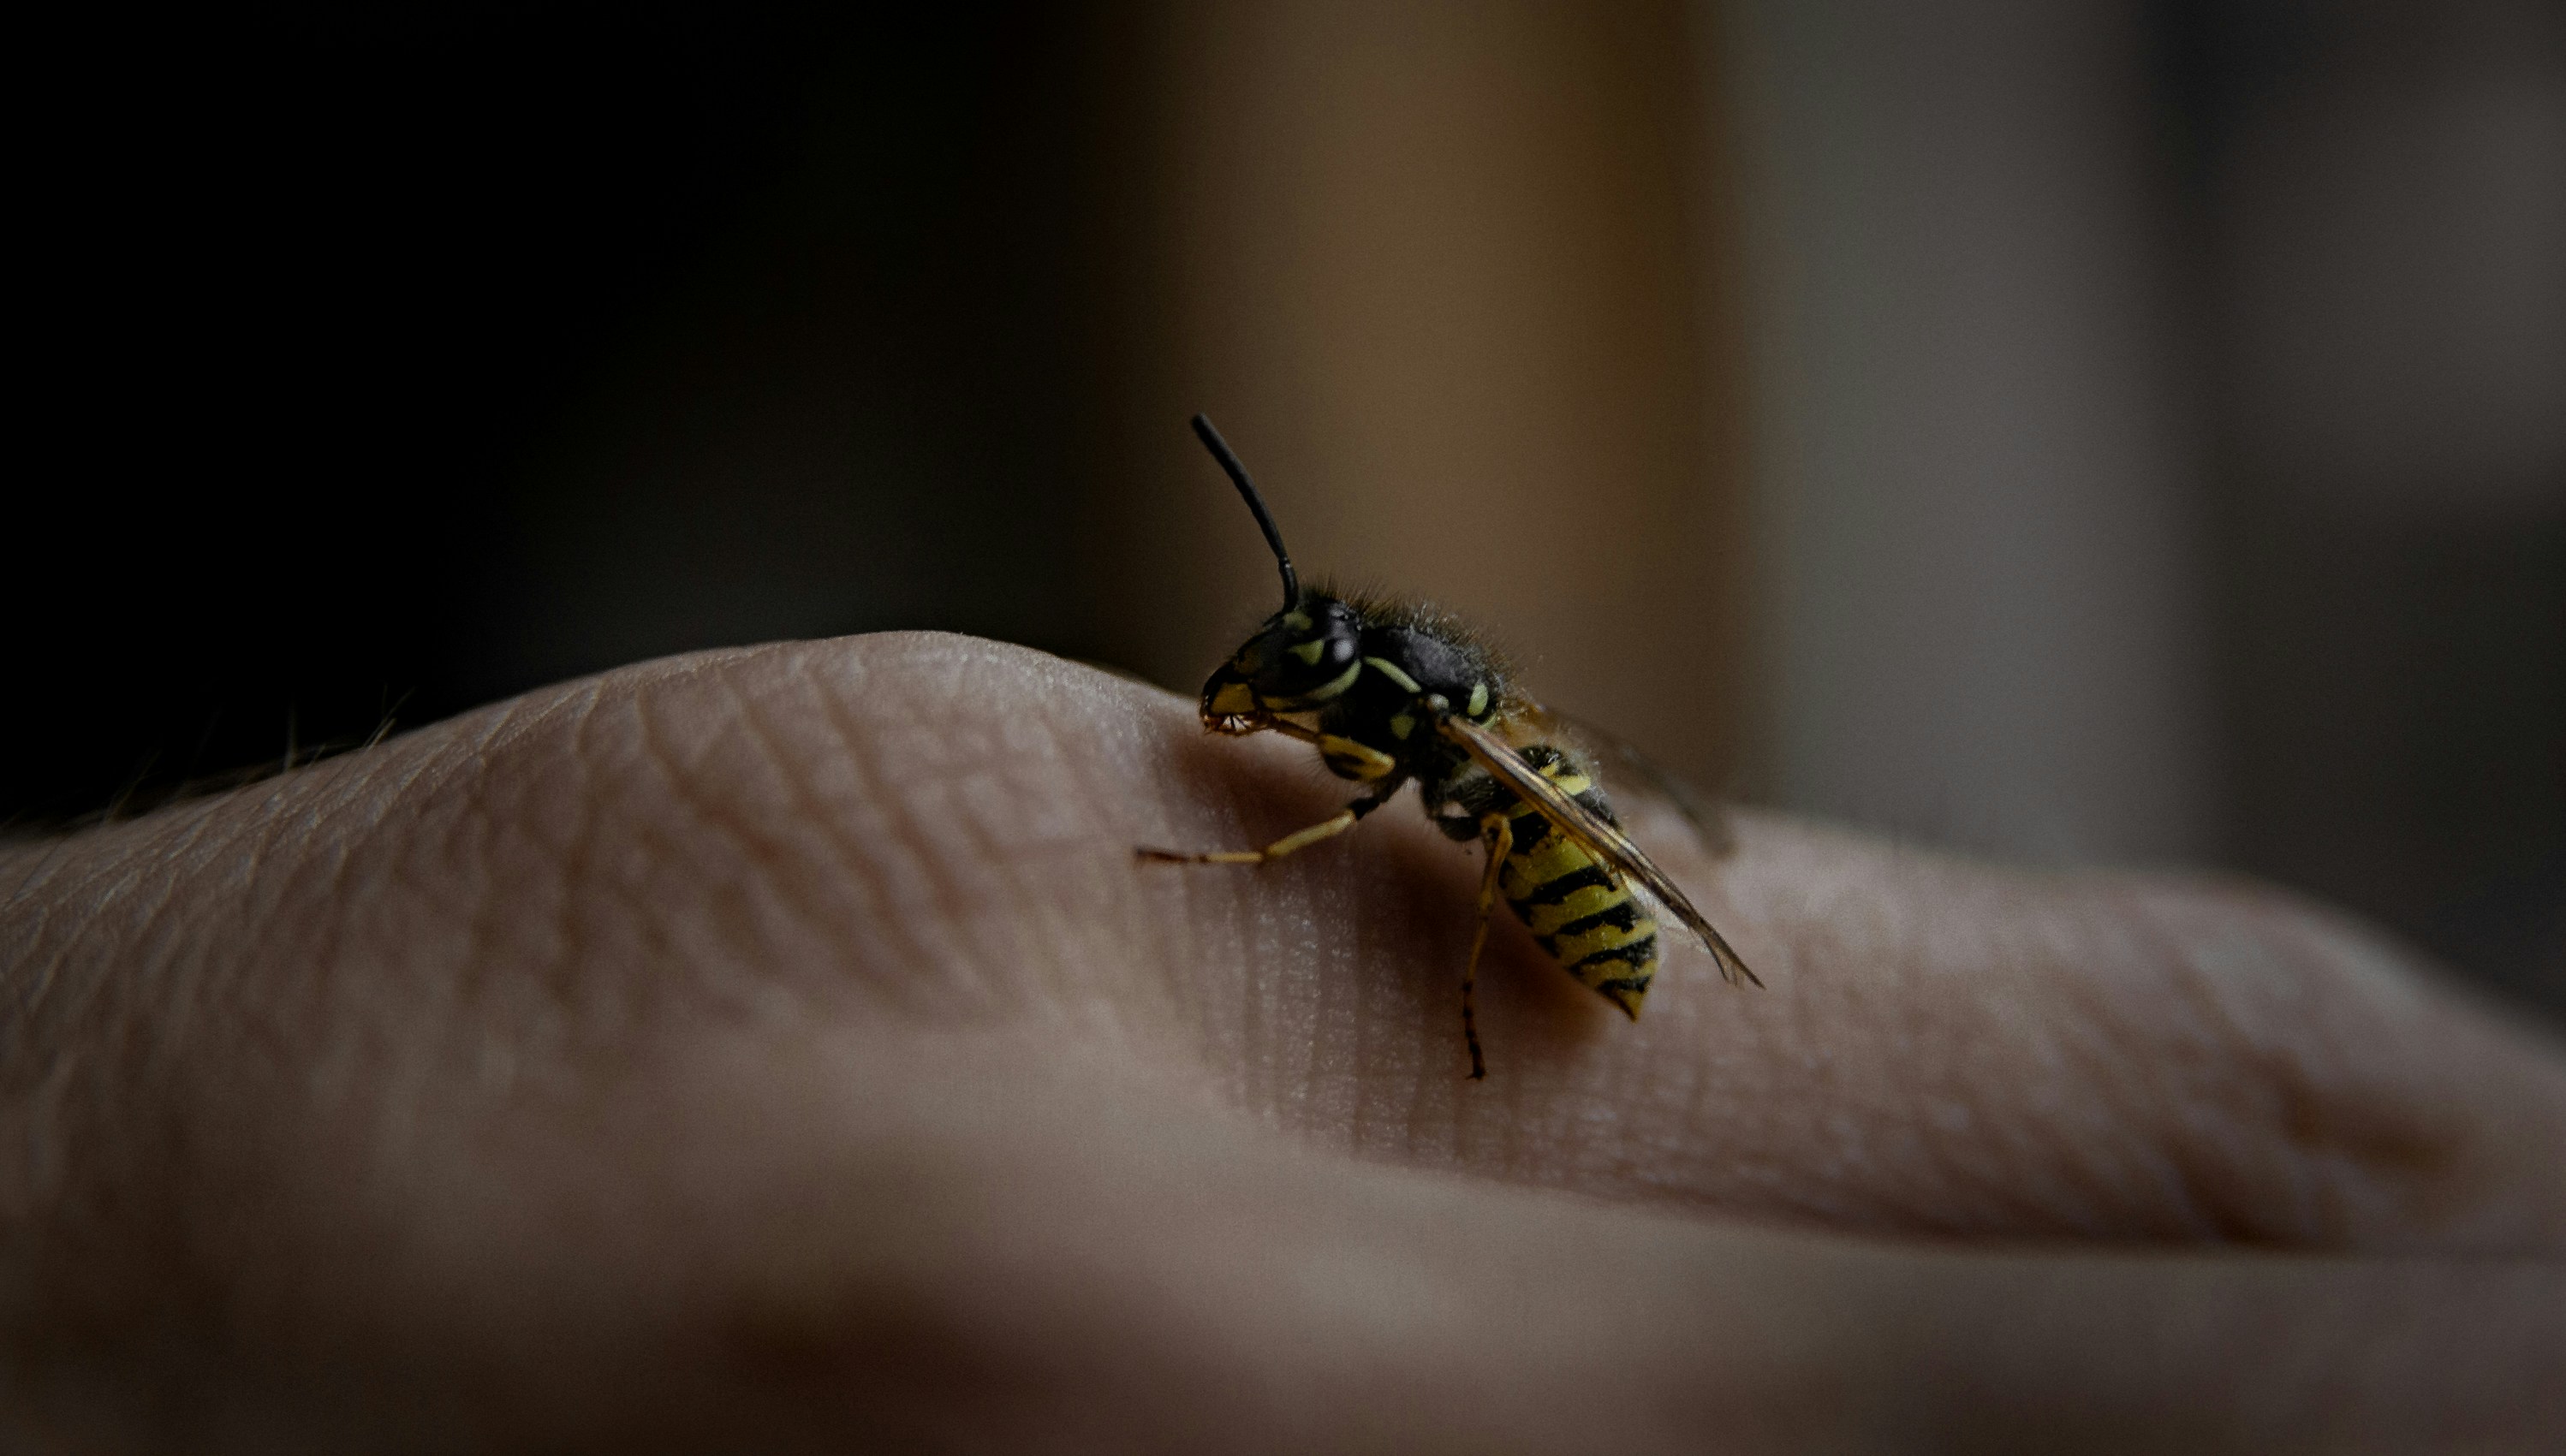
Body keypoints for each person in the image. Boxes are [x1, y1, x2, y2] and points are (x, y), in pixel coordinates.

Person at [6, 633, 2562, 1451]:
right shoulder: (1408, 727)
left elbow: (1429, 838)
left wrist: (1295, 883)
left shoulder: (1445, 800)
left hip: (1582, 946)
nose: (1296, 724)